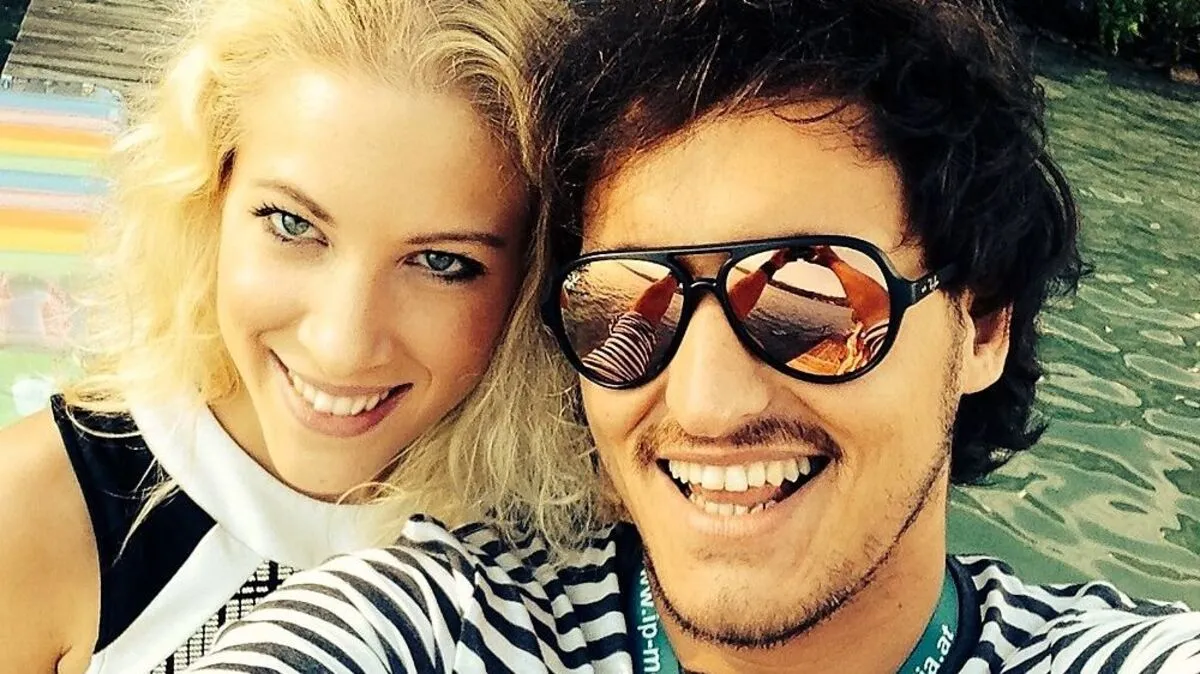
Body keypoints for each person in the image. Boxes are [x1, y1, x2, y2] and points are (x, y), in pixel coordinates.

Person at [187, 1, 1200, 672]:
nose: (708, 400)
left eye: (810, 296)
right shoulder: (444, 623)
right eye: (629, 304)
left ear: (978, 322)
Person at [0, 0, 600, 672]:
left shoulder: (577, 536)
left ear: (531, 276)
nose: (342, 345)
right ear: (210, 195)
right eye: (293, 225)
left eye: (440, 262)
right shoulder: (30, 512)